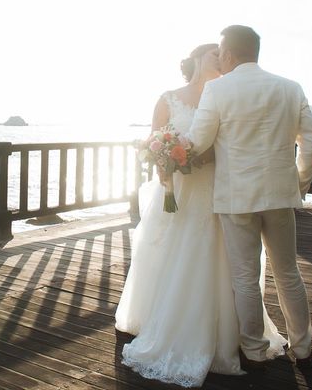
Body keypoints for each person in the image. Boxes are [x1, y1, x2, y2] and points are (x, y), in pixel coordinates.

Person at [115, 43, 286, 388]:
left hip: (216, 188)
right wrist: (164, 160)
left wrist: (199, 157)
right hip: (180, 189)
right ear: (196, 58)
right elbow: (153, 141)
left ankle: (227, 334)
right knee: (174, 253)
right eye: (214, 54)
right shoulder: (168, 97)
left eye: (223, 55)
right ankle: (164, 321)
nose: (221, 60)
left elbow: (231, 143)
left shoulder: (223, 95)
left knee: (222, 256)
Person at [188, 25, 312, 368]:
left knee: (244, 276)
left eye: (221, 51)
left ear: (229, 53)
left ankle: (254, 350)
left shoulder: (217, 89)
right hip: (279, 195)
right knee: (288, 272)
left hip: (236, 198)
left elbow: (199, 141)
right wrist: (300, 184)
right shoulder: (290, 88)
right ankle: (304, 347)